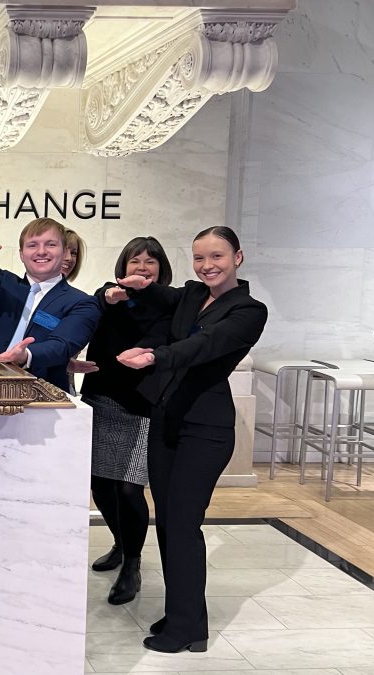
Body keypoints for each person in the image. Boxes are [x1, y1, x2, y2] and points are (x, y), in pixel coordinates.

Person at [115, 225, 267, 654]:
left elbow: (204, 345)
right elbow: (157, 294)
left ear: (238, 257)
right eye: (199, 258)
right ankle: (184, 611)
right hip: (167, 420)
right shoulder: (189, 295)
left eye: (216, 257)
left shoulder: (249, 310)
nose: (207, 266)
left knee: (183, 526)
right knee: (167, 524)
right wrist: (131, 287)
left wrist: (154, 356)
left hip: (206, 430)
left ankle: (188, 631)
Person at [77, 237, 174, 607]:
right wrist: (109, 295)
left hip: (143, 409)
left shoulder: (171, 306)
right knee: (100, 484)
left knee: (131, 490)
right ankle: (120, 543)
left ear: (161, 269)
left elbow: (160, 339)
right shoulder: (110, 298)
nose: (143, 267)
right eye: (136, 260)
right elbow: (99, 299)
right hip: (102, 400)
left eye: (151, 261)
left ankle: (132, 564)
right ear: (124, 266)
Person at [0, 218, 100, 391]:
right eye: (32, 245)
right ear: (22, 254)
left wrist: (26, 355)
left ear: (63, 252)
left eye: (51, 245)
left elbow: (62, 345)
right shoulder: (4, 284)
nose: (41, 251)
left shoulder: (82, 303)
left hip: (43, 393)